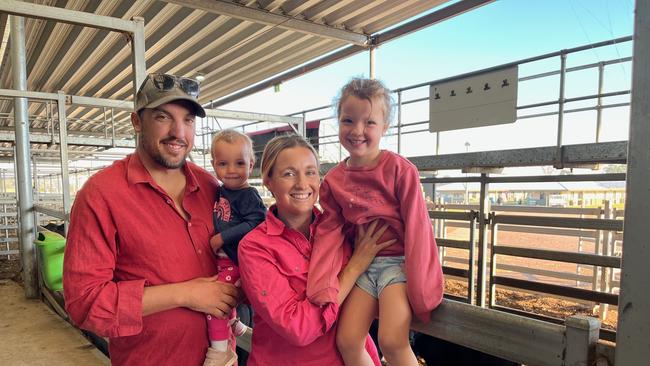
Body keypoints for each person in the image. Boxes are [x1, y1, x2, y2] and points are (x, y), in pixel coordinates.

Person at [63, 73, 240, 366]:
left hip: (224, 358)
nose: (178, 132)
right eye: (163, 117)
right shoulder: (101, 195)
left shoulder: (210, 186)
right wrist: (185, 294)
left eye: (188, 120)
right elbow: (86, 303)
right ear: (136, 121)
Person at [306, 78, 444, 366]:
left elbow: (418, 225)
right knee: (347, 341)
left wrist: (423, 283)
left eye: (369, 123)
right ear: (339, 122)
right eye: (348, 120)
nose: (357, 131)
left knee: (392, 341)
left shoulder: (399, 170)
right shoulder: (333, 181)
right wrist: (322, 281)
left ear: (385, 127)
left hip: (398, 266)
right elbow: (330, 231)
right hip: (361, 266)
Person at [238, 134, 392, 366]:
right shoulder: (255, 247)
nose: (302, 184)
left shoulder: (343, 230)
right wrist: (354, 267)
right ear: (268, 181)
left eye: (310, 172)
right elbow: (298, 328)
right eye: (289, 173)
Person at [204, 129, 266, 366]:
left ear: (251, 165)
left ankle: (220, 353)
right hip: (225, 259)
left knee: (215, 303)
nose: (231, 170)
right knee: (225, 298)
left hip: (237, 260)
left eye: (239, 163)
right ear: (214, 165)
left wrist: (222, 238)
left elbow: (258, 221)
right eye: (223, 163)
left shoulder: (248, 195)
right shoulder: (221, 191)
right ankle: (236, 324)